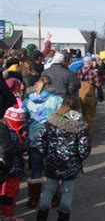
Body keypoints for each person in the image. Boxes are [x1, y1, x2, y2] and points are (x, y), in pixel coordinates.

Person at [35, 96, 91, 221]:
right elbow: (84, 146)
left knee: (49, 190)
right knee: (67, 192)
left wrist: (45, 153)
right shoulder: (79, 124)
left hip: (52, 161)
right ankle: (63, 218)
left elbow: (39, 139)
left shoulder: (51, 121)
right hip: (71, 163)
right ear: (78, 108)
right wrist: (80, 157)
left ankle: (41, 216)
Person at [22, 76, 63, 208]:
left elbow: (24, 119)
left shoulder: (27, 101)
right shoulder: (57, 100)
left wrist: (30, 129)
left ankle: (34, 199)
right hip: (51, 138)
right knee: (51, 168)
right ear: (50, 85)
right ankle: (54, 199)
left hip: (34, 139)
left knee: (36, 169)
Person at [0, 103, 28, 217]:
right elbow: (22, 149)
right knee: (10, 196)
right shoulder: (15, 136)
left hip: (2, 171)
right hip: (13, 171)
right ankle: (8, 216)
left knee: (2, 194)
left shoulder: (2, 132)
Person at [77, 57, 102, 134]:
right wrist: (100, 93)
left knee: (81, 114)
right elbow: (98, 84)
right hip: (90, 95)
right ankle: (88, 133)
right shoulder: (93, 72)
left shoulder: (79, 71)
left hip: (80, 95)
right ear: (90, 63)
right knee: (89, 114)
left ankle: (81, 132)